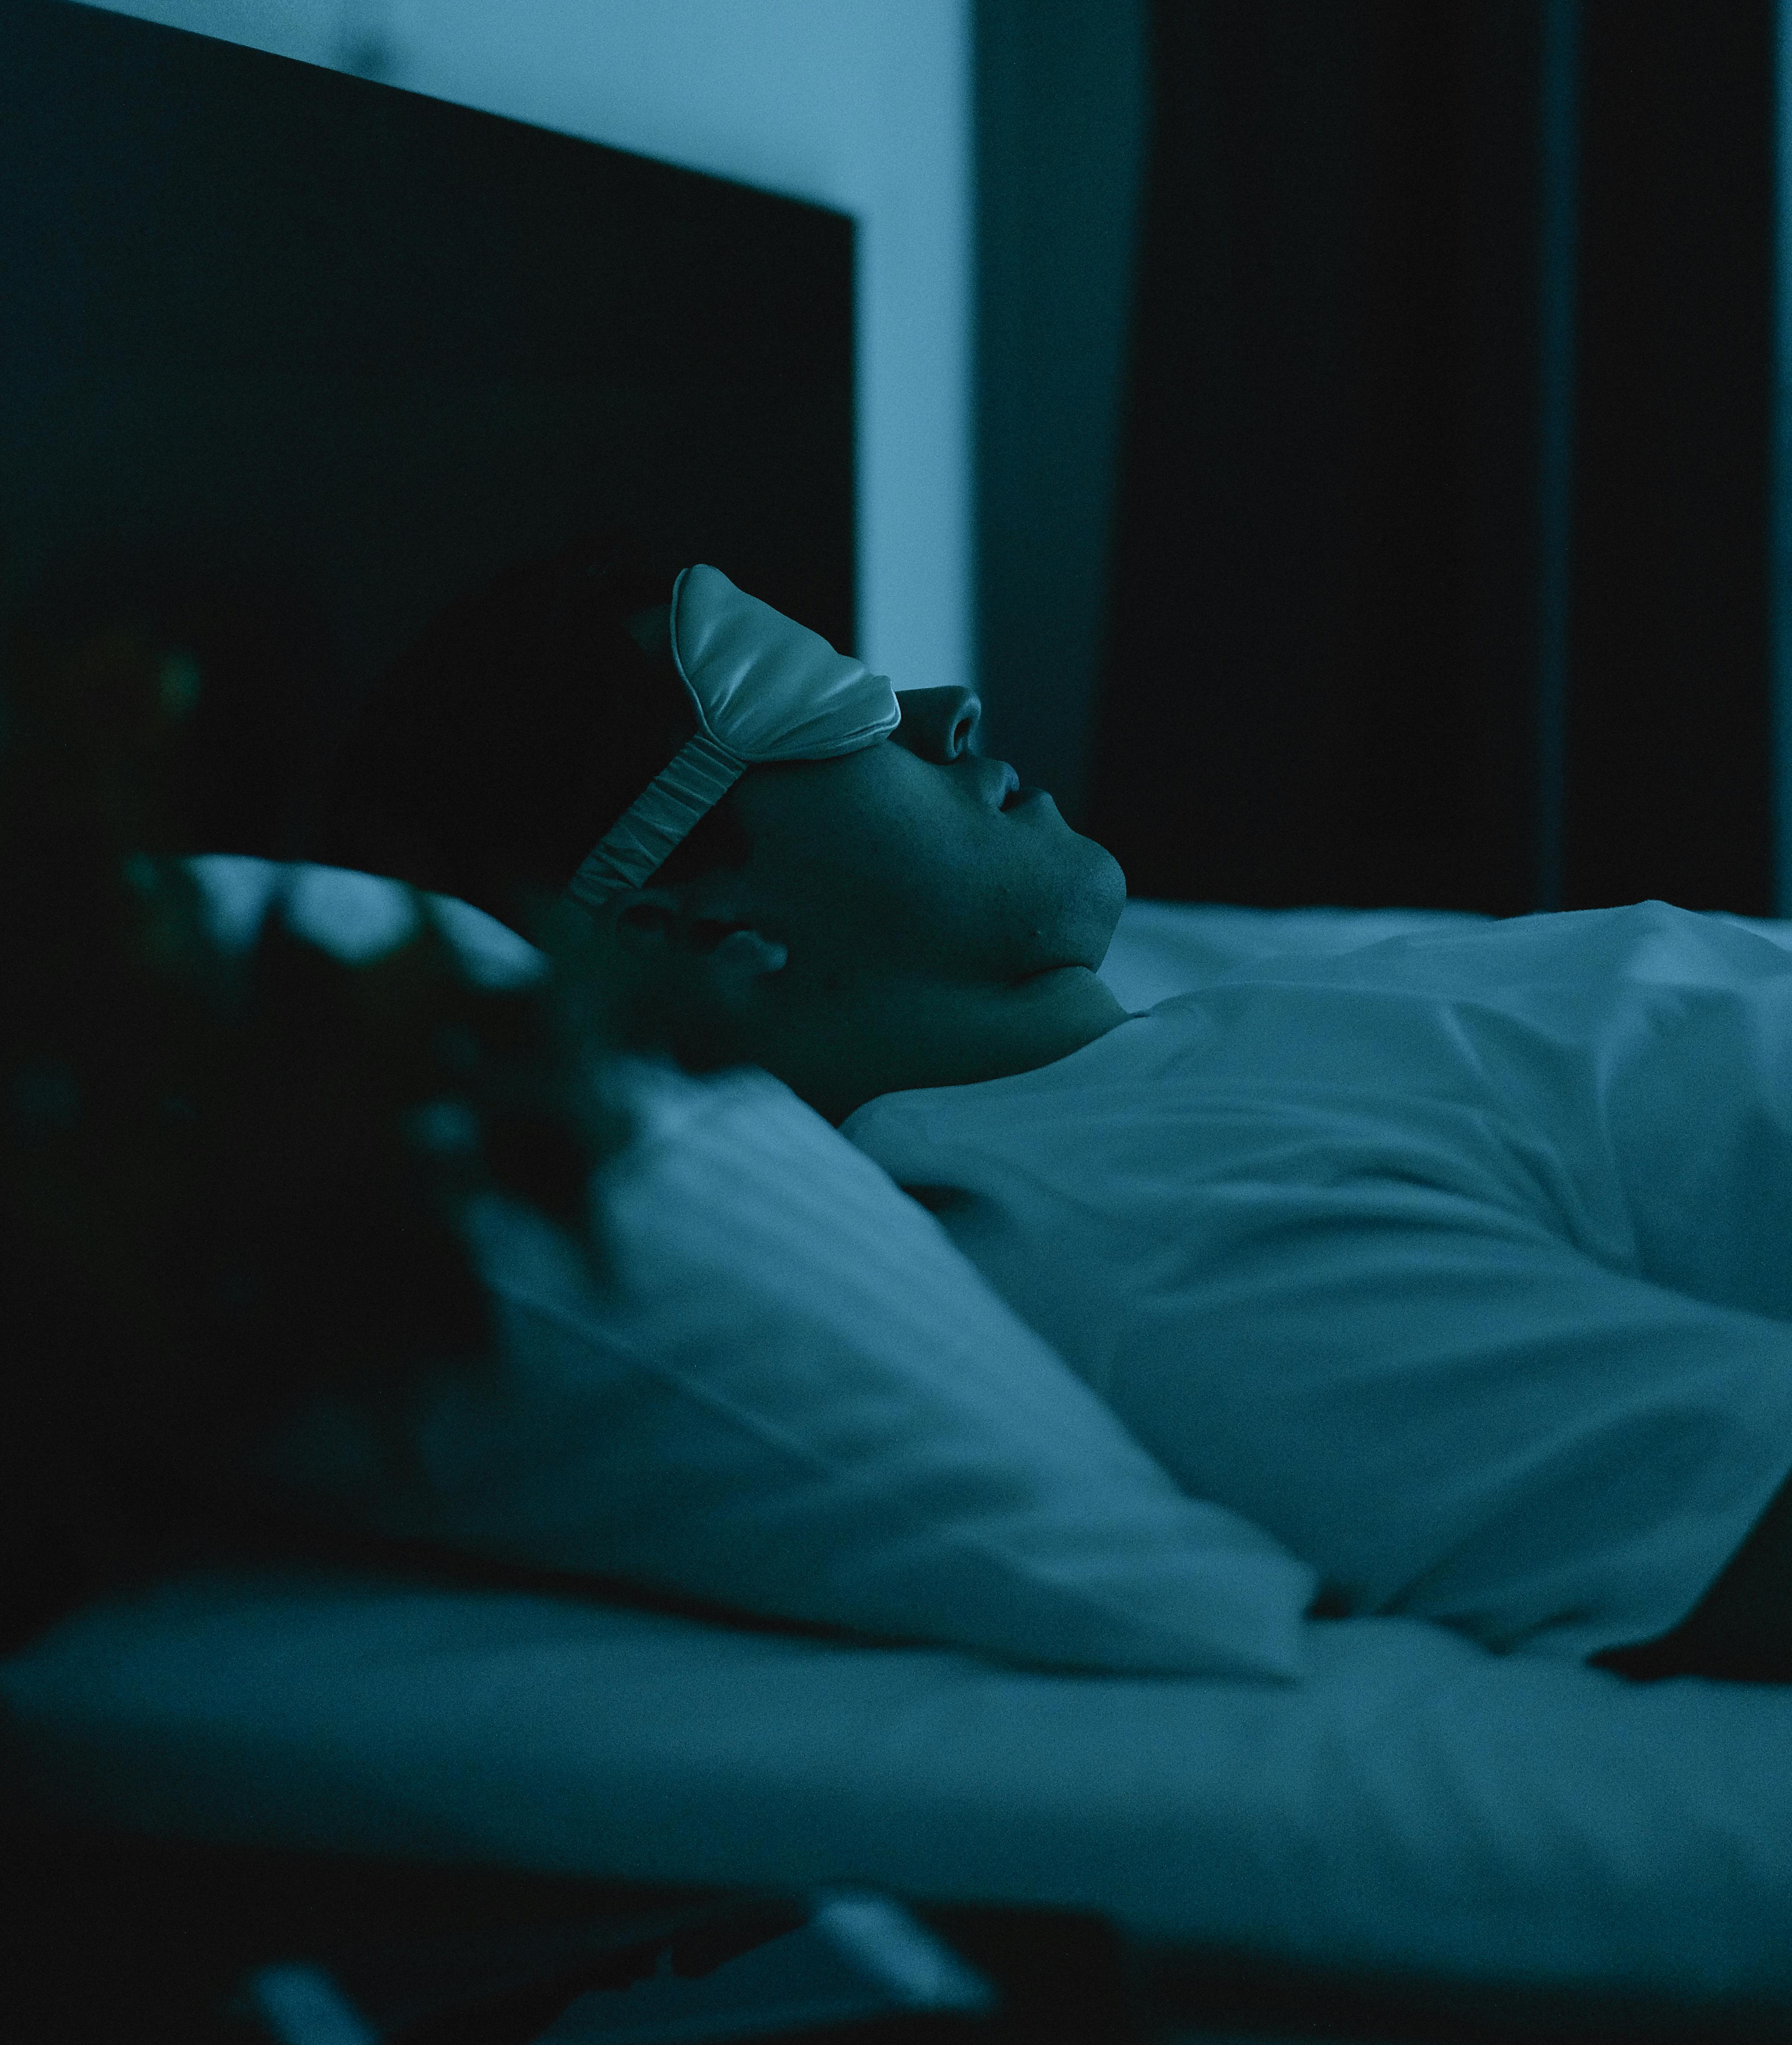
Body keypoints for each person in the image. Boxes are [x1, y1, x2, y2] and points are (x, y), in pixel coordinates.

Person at [324, 538, 1792, 1685]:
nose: (944, 710)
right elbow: (1726, 1531)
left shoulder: (1189, 1066)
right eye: (827, 708)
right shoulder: (1136, 1238)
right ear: (689, 936)